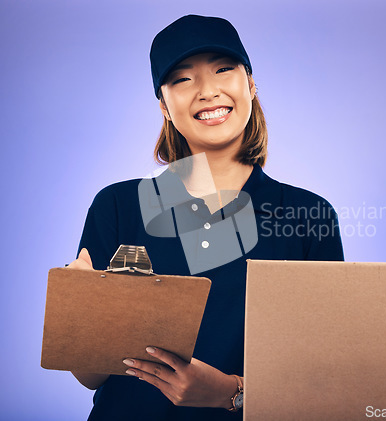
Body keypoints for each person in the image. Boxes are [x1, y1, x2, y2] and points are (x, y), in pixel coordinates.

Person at [67, 14, 344, 420]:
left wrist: (231, 393)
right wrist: (81, 315)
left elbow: (324, 379)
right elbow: (91, 376)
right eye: (182, 79)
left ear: (250, 83)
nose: (207, 91)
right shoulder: (118, 205)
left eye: (223, 69)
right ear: (164, 106)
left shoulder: (310, 216)